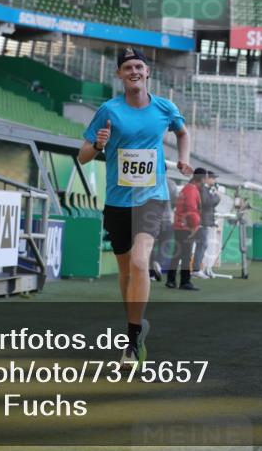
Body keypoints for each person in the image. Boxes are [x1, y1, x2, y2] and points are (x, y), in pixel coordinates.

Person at [78, 47, 192, 367]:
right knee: (126, 272)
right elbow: (83, 156)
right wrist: (98, 144)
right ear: (119, 74)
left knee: (141, 263)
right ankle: (136, 325)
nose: (134, 71)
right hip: (117, 201)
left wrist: (184, 159)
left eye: (139, 66)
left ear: (147, 72)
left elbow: (183, 132)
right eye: (128, 67)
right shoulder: (108, 110)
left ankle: (131, 341)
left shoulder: (165, 108)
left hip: (151, 197)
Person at [169, 168, 206, 291]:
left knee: (177, 254)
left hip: (179, 225)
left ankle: (171, 280)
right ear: (202, 179)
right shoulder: (192, 190)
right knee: (185, 255)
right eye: (205, 179)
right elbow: (191, 210)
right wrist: (194, 227)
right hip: (186, 227)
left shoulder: (186, 188)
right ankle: (184, 282)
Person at [195, 170, 222, 279]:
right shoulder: (203, 189)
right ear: (207, 178)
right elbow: (207, 202)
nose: (214, 180)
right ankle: (196, 269)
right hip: (202, 222)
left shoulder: (205, 189)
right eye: (213, 178)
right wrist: (217, 197)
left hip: (204, 221)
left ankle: (198, 268)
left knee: (202, 245)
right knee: (202, 245)